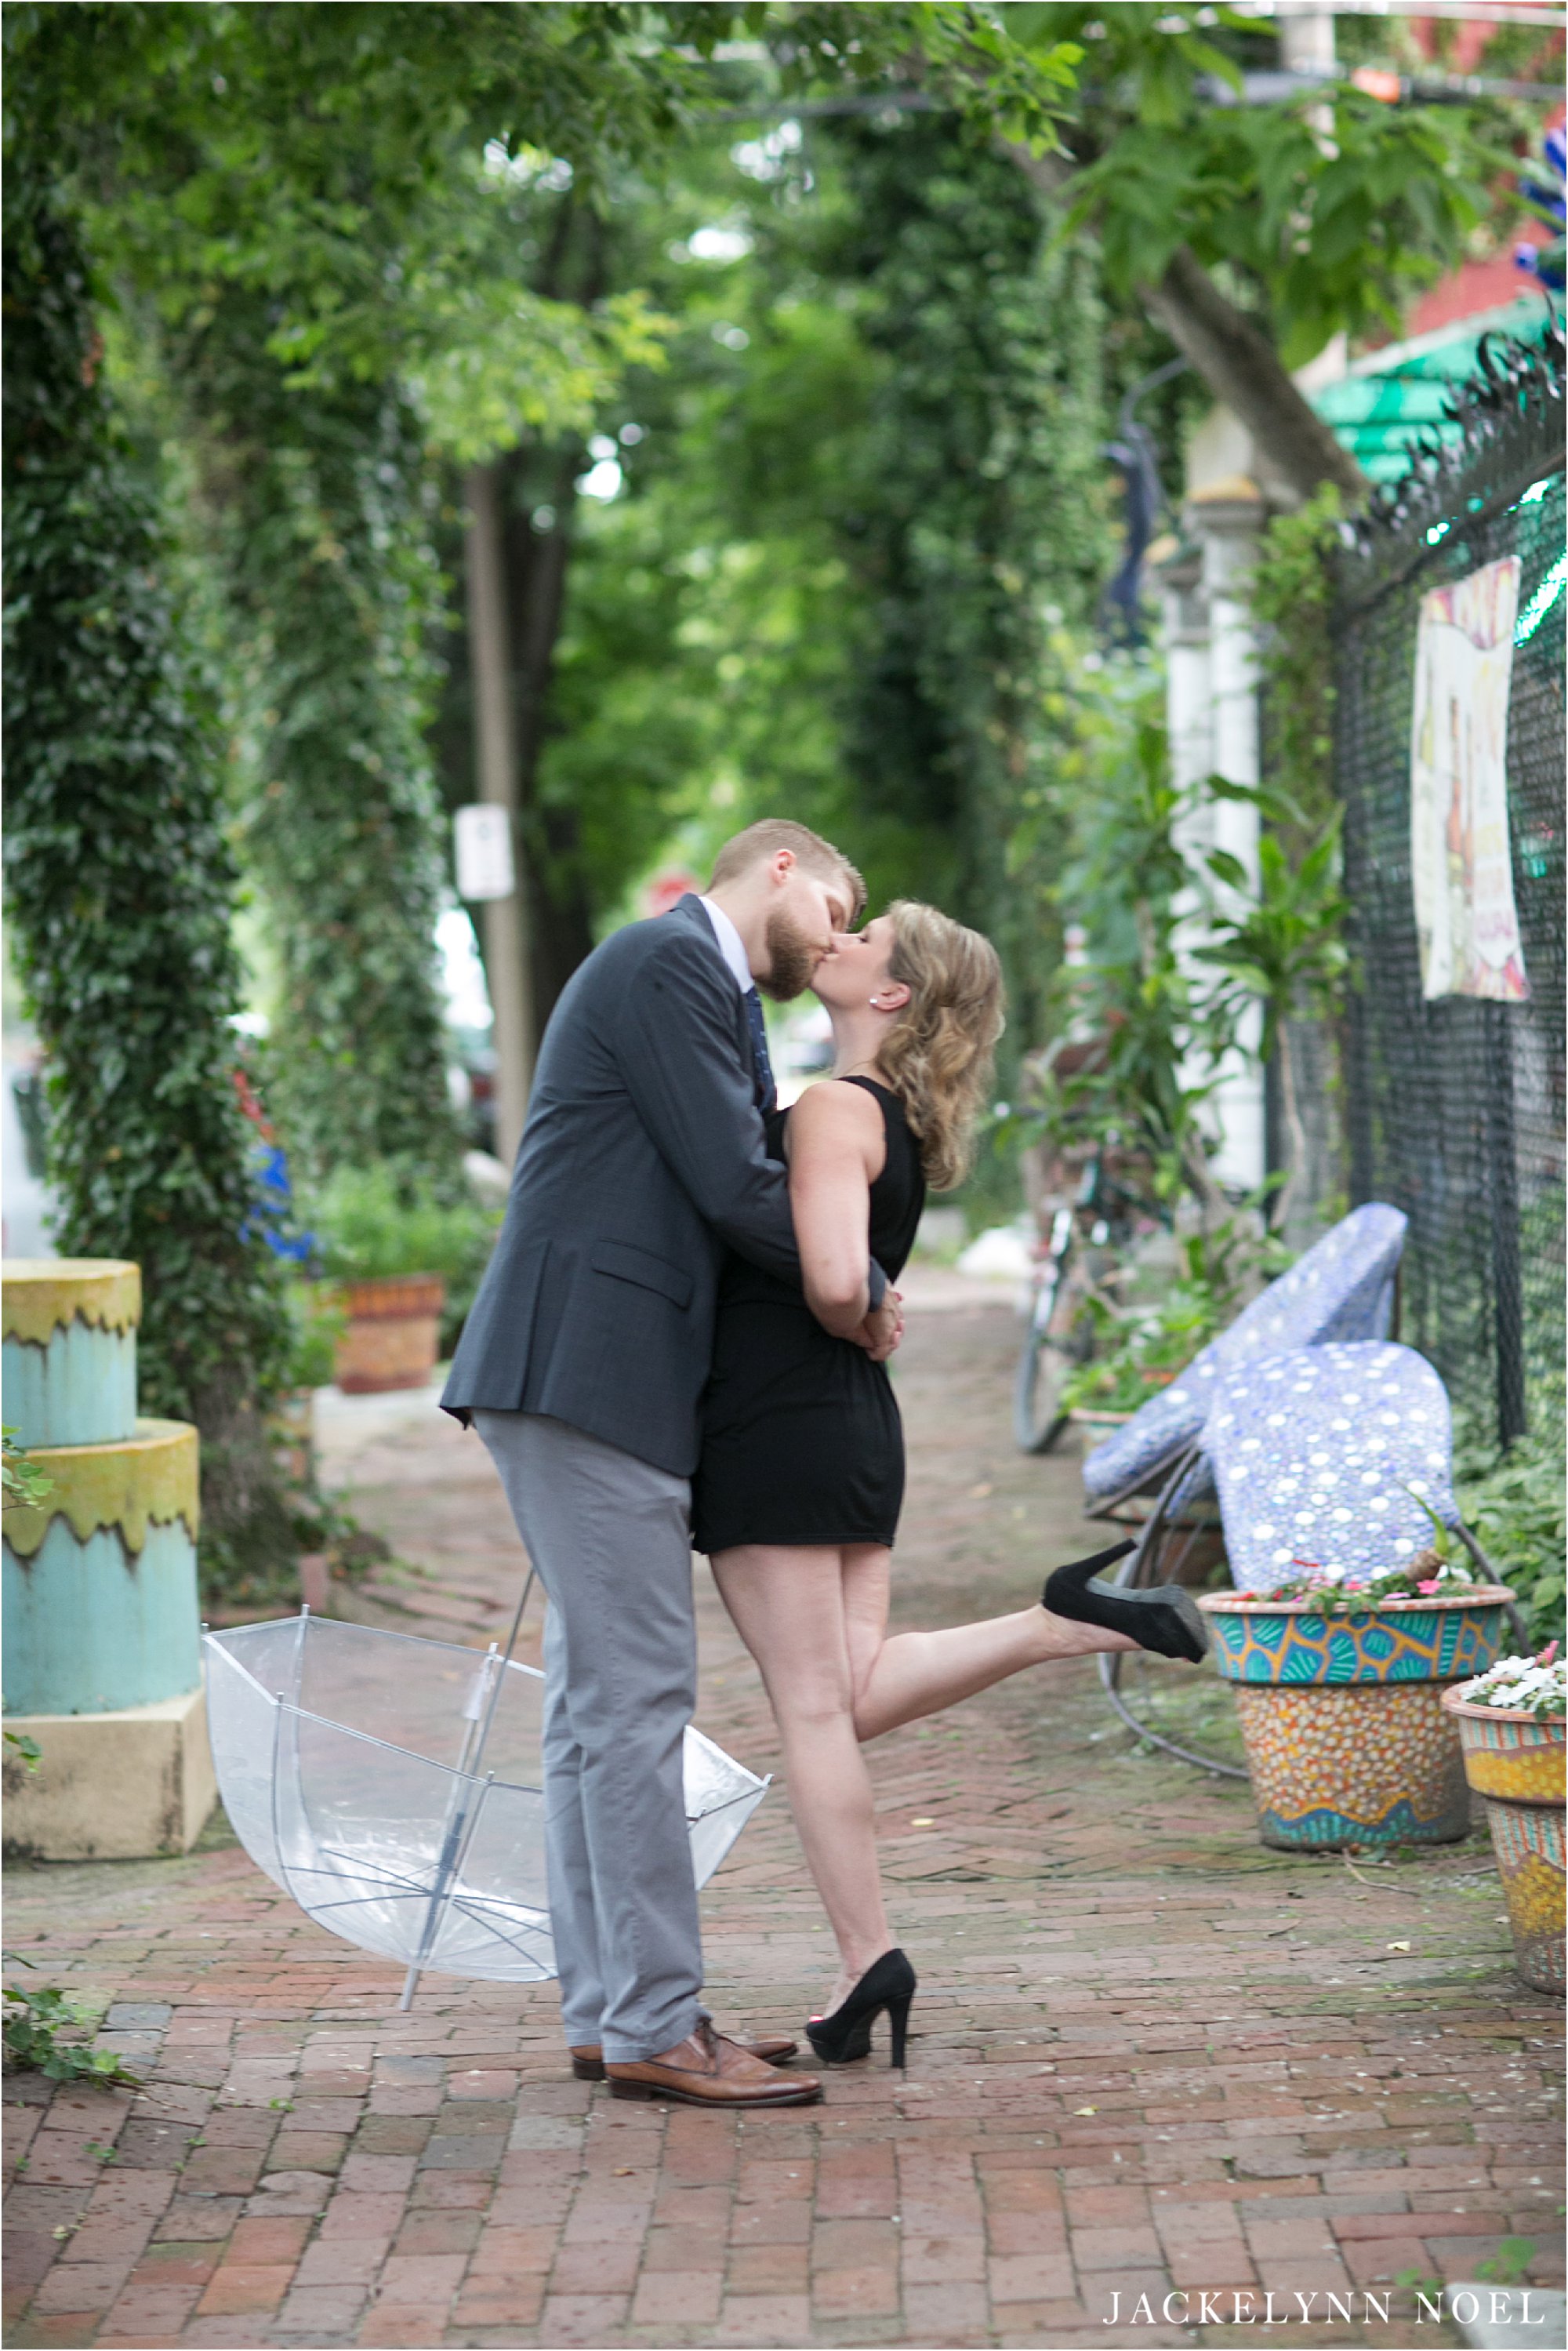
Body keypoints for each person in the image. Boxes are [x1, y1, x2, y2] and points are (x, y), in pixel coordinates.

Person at [692, 901, 1208, 2070]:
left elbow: (831, 1278)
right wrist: (869, 1303)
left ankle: (867, 1951)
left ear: (893, 998)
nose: (843, 935)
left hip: (781, 1422)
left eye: (869, 936)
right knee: (853, 1694)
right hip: (852, 1429)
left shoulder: (830, 1106)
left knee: (813, 1711)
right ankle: (1054, 1621)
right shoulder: (900, 1121)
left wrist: (861, 1301)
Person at [442, 821, 902, 2110]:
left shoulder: (703, 990)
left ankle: (613, 2012)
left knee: (598, 1711)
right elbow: (736, 1177)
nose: (832, 931)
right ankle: (652, 2022)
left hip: (593, 1372)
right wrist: (860, 1288)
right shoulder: (667, 965)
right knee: (639, 1702)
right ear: (777, 867)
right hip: (589, 1371)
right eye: (834, 900)